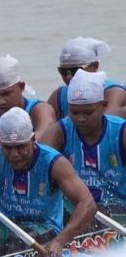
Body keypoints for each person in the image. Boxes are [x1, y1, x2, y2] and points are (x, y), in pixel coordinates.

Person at [0, 107, 97, 257]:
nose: (14, 155)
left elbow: (88, 204)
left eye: (20, 147)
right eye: (7, 148)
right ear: (0, 144)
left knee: (15, 245)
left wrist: (59, 242)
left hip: (45, 228)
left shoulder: (54, 163)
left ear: (33, 140)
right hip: (6, 228)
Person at [38, 70, 126, 216]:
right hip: (76, 207)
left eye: (88, 113)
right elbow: (38, 169)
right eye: (74, 112)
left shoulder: (121, 132)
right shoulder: (59, 132)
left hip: (119, 208)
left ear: (104, 106)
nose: (81, 119)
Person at [46, 37, 126, 118]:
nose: (69, 77)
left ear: (95, 66)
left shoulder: (115, 92)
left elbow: (106, 121)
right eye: (63, 71)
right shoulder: (58, 95)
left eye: (75, 71)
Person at [0, 55, 55, 133]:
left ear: (21, 86)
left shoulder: (40, 110)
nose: (1, 102)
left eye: (6, 93)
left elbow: (44, 136)